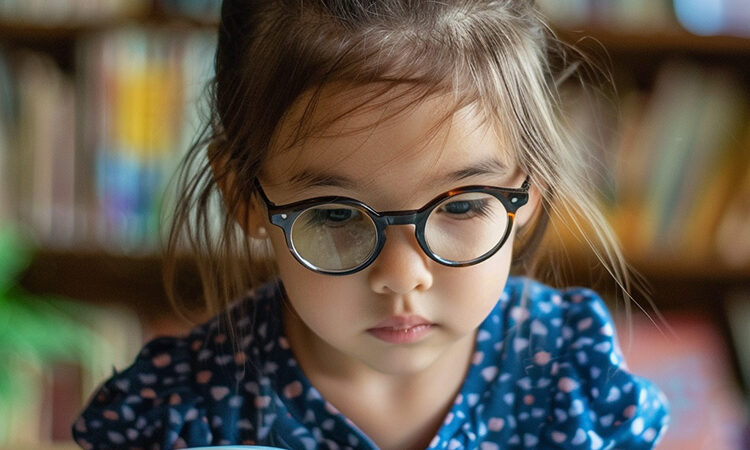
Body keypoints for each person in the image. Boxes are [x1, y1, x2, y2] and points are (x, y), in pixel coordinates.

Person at [73, 1, 669, 448]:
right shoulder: (183, 414)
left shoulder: (571, 375)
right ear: (245, 197)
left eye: (461, 206)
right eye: (335, 214)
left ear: (529, 190)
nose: (402, 277)